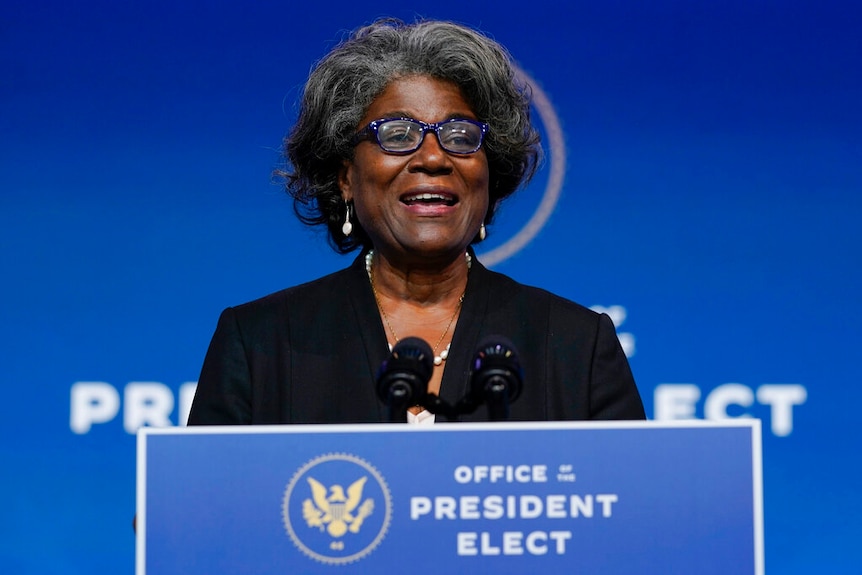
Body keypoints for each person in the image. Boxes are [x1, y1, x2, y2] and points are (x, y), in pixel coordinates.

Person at [188, 18, 645, 425]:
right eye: (398, 135)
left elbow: (631, 512)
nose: (432, 157)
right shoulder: (260, 343)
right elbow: (189, 512)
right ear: (346, 177)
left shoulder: (576, 345)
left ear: (489, 174)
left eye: (461, 136)